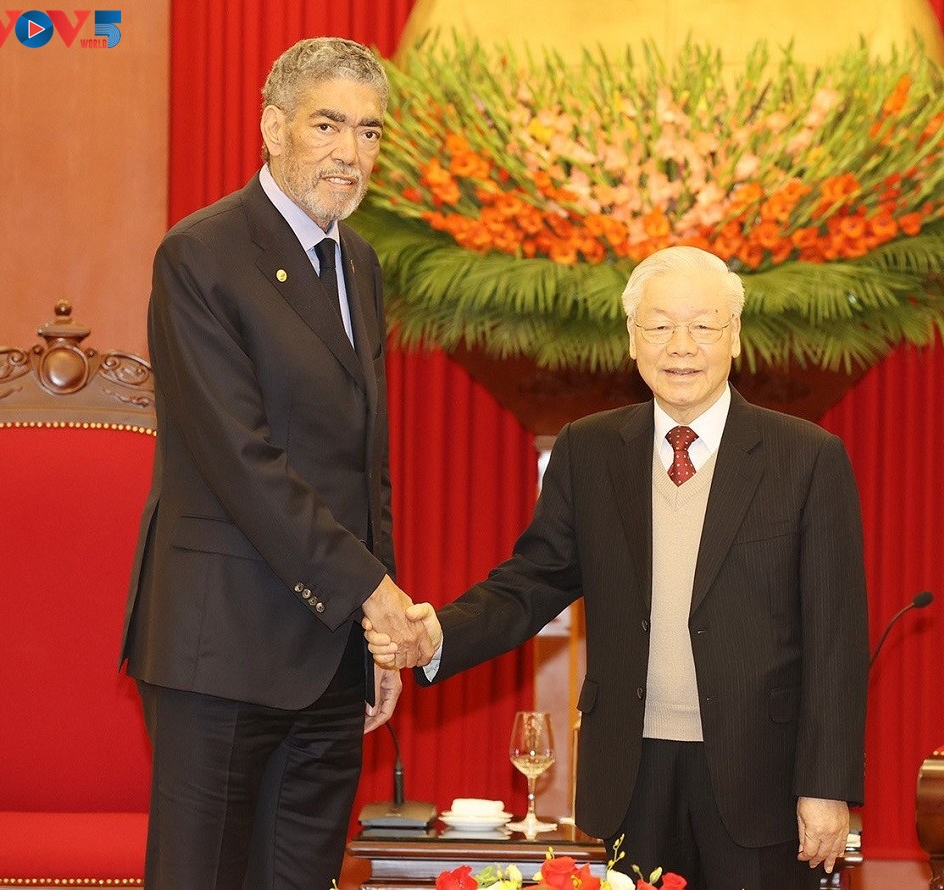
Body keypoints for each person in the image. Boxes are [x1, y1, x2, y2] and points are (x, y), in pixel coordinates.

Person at [368, 246, 869, 889]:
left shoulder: (806, 457)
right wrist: (437, 634)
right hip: (632, 771)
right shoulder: (591, 449)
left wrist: (825, 786)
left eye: (703, 325)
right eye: (659, 326)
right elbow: (533, 580)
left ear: (735, 335)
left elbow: (836, 637)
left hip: (758, 776)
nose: (681, 345)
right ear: (632, 340)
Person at [120, 37, 432, 889]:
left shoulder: (359, 262)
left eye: (369, 131)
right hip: (220, 648)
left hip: (330, 653)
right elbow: (240, 458)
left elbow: (366, 464)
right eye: (327, 125)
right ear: (271, 127)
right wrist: (374, 592)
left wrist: (377, 637)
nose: (350, 153)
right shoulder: (202, 254)